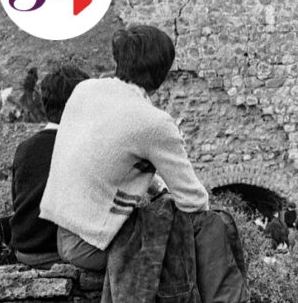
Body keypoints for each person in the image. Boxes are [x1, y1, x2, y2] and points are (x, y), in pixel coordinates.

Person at [39, 26, 210, 272]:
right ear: (162, 72)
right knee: (187, 243)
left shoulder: (84, 90)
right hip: (94, 246)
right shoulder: (154, 123)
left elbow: (111, 152)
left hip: (63, 235)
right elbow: (194, 201)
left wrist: (158, 187)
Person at [10, 66, 90, 269]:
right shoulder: (79, 148)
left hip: (24, 250)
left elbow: (17, 201)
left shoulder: (24, 148)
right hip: (53, 251)